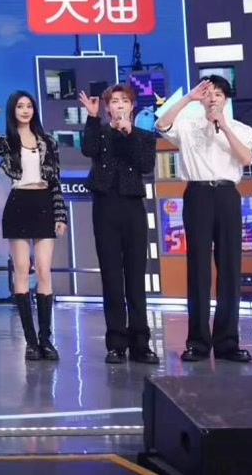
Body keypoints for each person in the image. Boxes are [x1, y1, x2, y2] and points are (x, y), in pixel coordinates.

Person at [156, 76, 252, 363]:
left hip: (227, 194)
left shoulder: (241, 129)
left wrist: (223, 126)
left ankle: (227, 343)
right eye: (207, 94)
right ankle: (198, 343)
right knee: (198, 268)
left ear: (226, 99)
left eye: (218, 94)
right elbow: (161, 124)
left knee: (230, 268)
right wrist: (188, 98)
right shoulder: (188, 126)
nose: (212, 98)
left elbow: (247, 159)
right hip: (197, 194)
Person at [0, 92, 67, 362]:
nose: (25, 110)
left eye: (29, 106)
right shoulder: (8, 141)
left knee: (43, 270)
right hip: (18, 203)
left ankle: (46, 339)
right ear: (13, 110)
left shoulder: (48, 141)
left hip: (44, 204)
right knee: (21, 270)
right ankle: (30, 341)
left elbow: (56, 182)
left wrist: (60, 215)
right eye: (20, 106)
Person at [79, 85, 160, 365]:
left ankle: (141, 343)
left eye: (125, 101)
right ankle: (116, 343)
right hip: (105, 207)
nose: (120, 105)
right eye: (114, 101)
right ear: (107, 107)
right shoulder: (100, 132)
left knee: (136, 278)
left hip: (133, 208)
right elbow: (88, 149)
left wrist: (129, 133)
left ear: (132, 106)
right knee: (112, 278)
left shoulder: (143, 136)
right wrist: (92, 119)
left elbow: (145, 165)